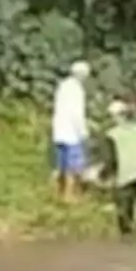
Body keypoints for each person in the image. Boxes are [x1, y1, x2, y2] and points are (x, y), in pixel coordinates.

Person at [102, 100, 136, 238]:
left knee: (125, 221)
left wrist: (103, 175)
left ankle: (128, 238)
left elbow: (112, 161)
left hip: (125, 178)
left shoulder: (111, 135)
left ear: (115, 117)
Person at [51, 60, 91, 202]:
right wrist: (83, 132)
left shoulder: (63, 85)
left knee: (59, 164)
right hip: (72, 132)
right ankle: (69, 196)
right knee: (72, 166)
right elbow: (77, 114)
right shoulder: (77, 90)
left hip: (59, 129)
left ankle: (56, 193)